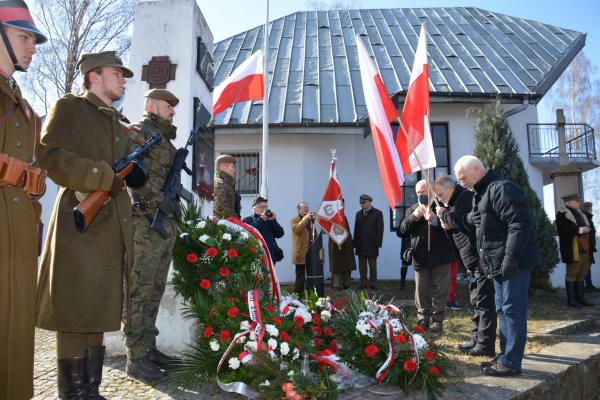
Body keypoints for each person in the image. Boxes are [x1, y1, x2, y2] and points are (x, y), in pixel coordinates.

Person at [37, 51, 135, 398]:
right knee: (76, 310)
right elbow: (48, 154)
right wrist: (101, 175)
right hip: (79, 221)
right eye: (117, 73)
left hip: (109, 228)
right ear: (94, 76)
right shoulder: (71, 108)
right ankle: (73, 393)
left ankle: (91, 389)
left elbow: (120, 173)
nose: (124, 79)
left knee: (96, 307)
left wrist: (132, 172)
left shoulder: (115, 121)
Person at [455, 155, 540, 377]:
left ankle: (511, 362)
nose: (462, 182)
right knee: (503, 310)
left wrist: (510, 260)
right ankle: (504, 357)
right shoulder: (481, 194)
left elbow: (519, 225)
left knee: (512, 311)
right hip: (498, 265)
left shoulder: (502, 188)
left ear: (476, 169)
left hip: (513, 264)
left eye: (463, 177)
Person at [0, 1, 47, 398]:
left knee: (16, 332)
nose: (32, 47)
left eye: (32, 39)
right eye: (23, 37)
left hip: (17, 239)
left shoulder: (26, 108)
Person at [122, 89, 180, 382]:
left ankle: (148, 347)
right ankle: (135, 357)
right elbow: (131, 176)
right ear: (151, 105)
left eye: (173, 106)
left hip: (162, 227)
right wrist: (159, 199)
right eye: (168, 105)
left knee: (155, 289)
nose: (172, 110)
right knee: (139, 290)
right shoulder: (138, 133)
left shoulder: (168, 143)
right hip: (143, 225)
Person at [434, 175, 496, 357]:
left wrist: (444, 215)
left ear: (450, 188)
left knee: (484, 302)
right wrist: (447, 225)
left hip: (479, 258)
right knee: (476, 301)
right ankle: (476, 338)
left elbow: (468, 222)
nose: (439, 198)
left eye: (440, 194)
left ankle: (485, 344)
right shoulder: (453, 202)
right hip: (469, 260)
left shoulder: (466, 198)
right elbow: (456, 227)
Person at [400, 180, 456, 334]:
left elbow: (452, 229)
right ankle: (423, 319)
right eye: (418, 193)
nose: (420, 195)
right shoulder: (412, 209)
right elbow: (402, 230)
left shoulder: (441, 206)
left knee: (441, 291)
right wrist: (415, 216)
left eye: (424, 192)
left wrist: (436, 221)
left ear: (431, 192)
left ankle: (437, 321)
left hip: (442, 257)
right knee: (421, 291)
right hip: (420, 257)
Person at [555, 194, 594, 307]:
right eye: (577, 201)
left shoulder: (580, 213)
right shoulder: (562, 214)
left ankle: (581, 299)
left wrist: (588, 230)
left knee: (582, 273)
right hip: (572, 248)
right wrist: (581, 229)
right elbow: (563, 230)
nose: (579, 203)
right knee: (572, 273)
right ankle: (571, 300)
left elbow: (589, 227)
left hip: (585, 247)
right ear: (570, 202)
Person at [354, 194, 384, 289]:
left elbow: (380, 229)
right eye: (360, 203)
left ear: (369, 202)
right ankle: (363, 283)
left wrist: (378, 243)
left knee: (372, 266)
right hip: (361, 245)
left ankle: (373, 283)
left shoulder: (377, 213)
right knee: (362, 267)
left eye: (364, 202)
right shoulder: (358, 214)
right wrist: (355, 243)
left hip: (372, 244)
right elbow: (356, 230)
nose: (362, 204)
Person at [243, 196, 284, 263]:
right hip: (254, 257)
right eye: (262, 207)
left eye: (266, 207)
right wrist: (261, 219)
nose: (264, 209)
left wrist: (273, 221)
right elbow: (249, 233)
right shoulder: (247, 220)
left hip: (270, 258)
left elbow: (280, 234)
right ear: (254, 208)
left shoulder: (269, 220)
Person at [328, 201, 356, 291]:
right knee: (336, 266)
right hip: (335, 244)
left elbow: (347, 230)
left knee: (347, 264)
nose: (342, 206)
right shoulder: (331, 216)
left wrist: (351, 242)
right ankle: (336, 285)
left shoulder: (344, 217)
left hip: (346, 243)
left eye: (343, 205)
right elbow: (327, 230)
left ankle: (346, 284)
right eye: (340, 205)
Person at [291, 201, 313, 295]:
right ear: (299, 209)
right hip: (300, 252)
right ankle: (296, 294)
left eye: (307, 207)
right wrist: (305, 219)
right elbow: (297, 230)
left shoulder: (310, 220)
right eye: (304, 208)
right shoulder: (295, 219)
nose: (306, 209)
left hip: (311, 251)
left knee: (311, 274)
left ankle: (309, 292)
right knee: (300, 276)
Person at [213, 154, 238, 219]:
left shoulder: (227, 184)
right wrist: (236, 222)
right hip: (223, 225)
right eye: (232, 167)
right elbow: (221, 207)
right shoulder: (219, 183)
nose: (234, 170)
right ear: (222, 167)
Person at [582, 202, 598, 292]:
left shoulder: (587, 217)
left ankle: (589, 284)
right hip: (586, 245)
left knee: (587, 265)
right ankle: (587, 285)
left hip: (589, 245)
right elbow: (588, 231)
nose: (592, 209)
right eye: (591, 207)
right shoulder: (585, 217)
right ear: (588, 208)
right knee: (586, 265)